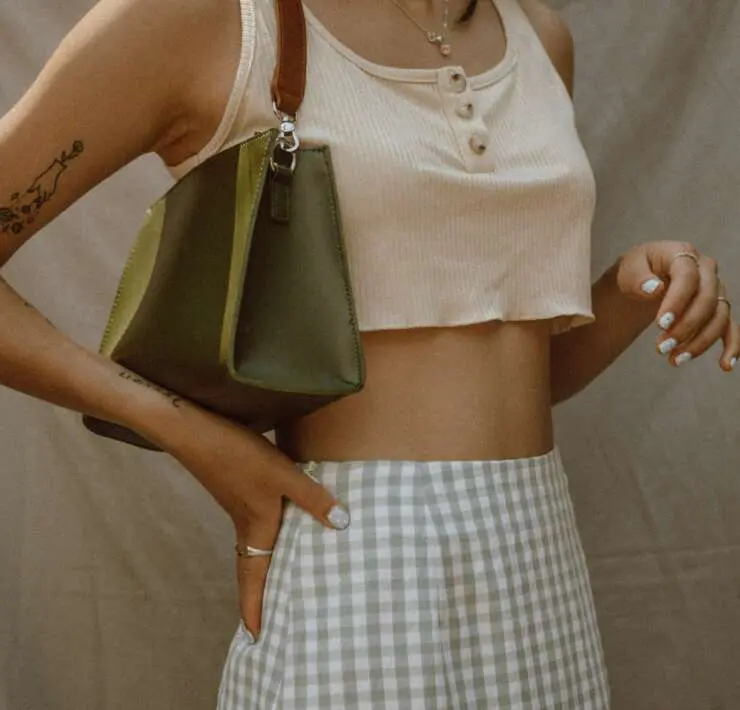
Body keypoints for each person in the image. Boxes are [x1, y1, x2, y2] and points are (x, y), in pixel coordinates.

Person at [1, 0, 736, 707]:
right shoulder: (216, 18)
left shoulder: (540, 38)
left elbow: (509, 376)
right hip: (355, 547)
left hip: (538, 553)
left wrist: (629, 287)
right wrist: (191, 433)